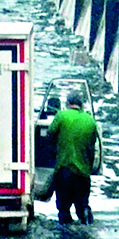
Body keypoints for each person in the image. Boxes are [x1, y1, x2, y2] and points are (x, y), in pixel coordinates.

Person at [48, 90, 100, 225]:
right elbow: (92, 146)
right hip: (83, 174)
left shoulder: (61, 116)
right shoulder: (90, 121)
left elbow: (50, 135)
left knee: (63, 208)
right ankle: (86, 218)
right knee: (82, 204)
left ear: (68, 103)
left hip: (64, 171)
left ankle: (66, 234)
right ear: (81, 104)